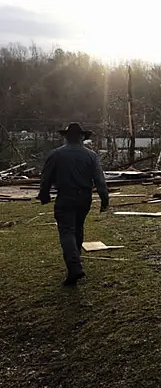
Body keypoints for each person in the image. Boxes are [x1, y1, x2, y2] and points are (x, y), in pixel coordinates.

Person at [38, 122, 110, 286]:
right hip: (84, 198)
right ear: (82, 138)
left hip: (65, 197)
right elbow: (99, 179)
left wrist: (44, 195)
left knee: (66, 231)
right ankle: (75, 261)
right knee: (77, 228)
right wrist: (104, 198)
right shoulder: (91, 156)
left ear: (66, 138)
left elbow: (46, 178)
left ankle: (74, 266)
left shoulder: (56, 155)